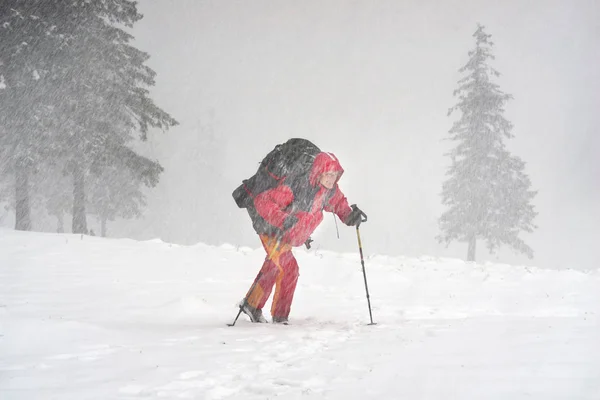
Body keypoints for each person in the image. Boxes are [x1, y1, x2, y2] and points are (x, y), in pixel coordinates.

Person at [241, 151, 366, 324]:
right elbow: (262, 201)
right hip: (271, 230)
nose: (331, 179)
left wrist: (350, 216)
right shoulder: (297, 186)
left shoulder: (329, 191)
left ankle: (252, 305)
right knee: (289, 269)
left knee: (275, 266)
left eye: (335, 175)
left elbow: (339, 204)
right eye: (328, 174)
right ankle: (280, 317)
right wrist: (283, 220)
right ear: (319, 173)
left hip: (287, 234)